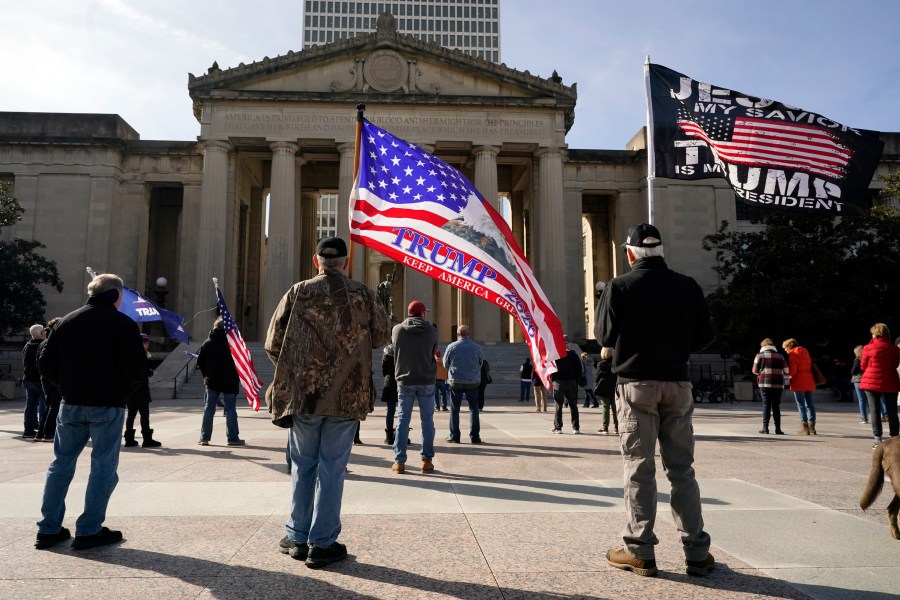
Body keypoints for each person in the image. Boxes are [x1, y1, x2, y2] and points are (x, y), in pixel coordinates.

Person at [595, 222, 716, 578]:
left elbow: (603, 335)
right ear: (660, 251)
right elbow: (705, 336)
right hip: (678, 383)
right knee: (682, 469)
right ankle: (696, 551)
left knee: (639, 467)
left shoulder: (619, 286)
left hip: (636, 385)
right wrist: (675, 349)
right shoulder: (687, 285)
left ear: (631, 253)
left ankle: (640, 551)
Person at [265, 237, 390, 568]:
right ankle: (321, 543)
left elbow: (272, 342)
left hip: (304, 396)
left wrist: (298, 370)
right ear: (345, 263)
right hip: (347, 397)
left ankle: (296, 535)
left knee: (302, 465)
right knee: (332, 468)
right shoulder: (362, 293)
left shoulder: (297, 292)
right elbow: (381, 337)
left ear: (315, 260)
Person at [35, 273, 145, 550]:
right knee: (103, 469)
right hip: (107, 405)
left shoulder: (67, 322)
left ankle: (48, 530)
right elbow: (136, 369)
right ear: (117, 296)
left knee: (60, 465)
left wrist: (66, 387)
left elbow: (45, 363)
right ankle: (88, 530)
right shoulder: (123, 324)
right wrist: (120, 393)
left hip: (71, 404)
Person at [391, 300, 438, 474]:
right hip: (426, 379)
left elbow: (395, 348)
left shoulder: (397, 330)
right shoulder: (432, 331)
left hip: (405, 380)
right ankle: (426, 460)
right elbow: (433, 350)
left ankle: (399, 462)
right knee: (427, 421)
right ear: (422, 314)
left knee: (403, 420)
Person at [197, 317, 245, 446]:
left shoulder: (208, 342)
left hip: (212, 380)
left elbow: (200, 362)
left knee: (209, 409)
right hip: (230, 380)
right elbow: (242, 361)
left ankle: (204, 438)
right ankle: (233, 438)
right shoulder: (233, 344)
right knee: (230, 409)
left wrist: (205, 375)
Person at [860, 323, 900, 448]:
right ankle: (895, 438)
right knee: (892, 410)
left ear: (875, 333)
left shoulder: (868, 348)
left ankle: (878, 439)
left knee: (874, 410)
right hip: (890, 380)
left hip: (871, 381)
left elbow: (863, 366)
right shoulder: (894, 349)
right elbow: (895, 364)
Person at [443, 324, 484, 443]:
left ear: (458, 334)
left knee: (455, 410)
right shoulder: (476, 347)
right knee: (474, 409)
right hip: (473, 381)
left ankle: (455, 435)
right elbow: (480, 362)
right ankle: (475, 437)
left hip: (456, 381)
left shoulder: (452, 346)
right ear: (469, 334)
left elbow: (446, 364)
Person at [124, 333, 162, 448]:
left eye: (147, 343)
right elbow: (143, 371)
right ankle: (147, 439)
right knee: (144, 415)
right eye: (144, 342)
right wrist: (150, 372)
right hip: (141, 389)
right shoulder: (141, 355)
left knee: (131, 415)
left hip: (131, 390)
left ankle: (129, 440)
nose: (146, 345)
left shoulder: (129, 354)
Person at [751, 338, 789, 435]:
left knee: (766, 405)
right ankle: (778, 429)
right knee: (776, 405)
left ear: (763, 346)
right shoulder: (780, 356)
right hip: (778, 384)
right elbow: (787, 371)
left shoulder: (759, 355)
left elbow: (754, 371)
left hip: (764, 383)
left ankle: (765, 428)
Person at [782, 338, 817, 435]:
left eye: (785, 348)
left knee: (801, 405)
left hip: (798, 382)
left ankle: (804, 428)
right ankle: (812, 427)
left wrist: (788, 374)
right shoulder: (806, 353)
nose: (785, 350)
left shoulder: (793, 356)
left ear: (789, 347)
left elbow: (793, 371)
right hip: (809, 380)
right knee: (810, 405)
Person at [35, 319, 62, 442]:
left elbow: (39, 362)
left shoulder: (43, 343)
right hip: (55, 378)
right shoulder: (58, 342)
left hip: (45, 378)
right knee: (54, 407)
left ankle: (40, 432)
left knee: (48, 406)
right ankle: (48, 433)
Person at [21, 324, 47, 439]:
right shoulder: (43, 345)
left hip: (28, 379)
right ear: (41, 334)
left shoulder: (27, 345)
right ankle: (43, 429)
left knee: (30, 404)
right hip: (39, 379)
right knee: (43, 403)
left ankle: (28, 430)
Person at [549, 346, 582, 434]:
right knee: (573, 405)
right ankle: (576, 428)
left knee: (558, 405)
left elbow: (551, 369)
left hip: (558, 382)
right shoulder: (573, 354)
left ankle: (558, 428)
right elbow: (579, 368)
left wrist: (553, 379)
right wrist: (576, 379)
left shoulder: (555, 354)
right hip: (572, 381)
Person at [595, 347, 618, 434]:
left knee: (605, 407)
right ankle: (617, 427)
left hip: (604, 388)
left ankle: (605, 428)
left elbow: (597, 377)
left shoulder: (600, 364)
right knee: (615, 408)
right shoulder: (615, 363)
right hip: (615, 387)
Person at [381, 344, 399, 444]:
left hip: (390, 381)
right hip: (401, 380)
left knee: (390, 411)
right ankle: (402, 434)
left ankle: (389, 437)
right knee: (403, 411)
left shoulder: (387, 351)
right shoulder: (403, 348)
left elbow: (384, 369)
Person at [850, 345, 868, 423]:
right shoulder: (868, 359)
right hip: (867, 379)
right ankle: (882, 415)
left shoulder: (857, 360)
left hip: (858, 380)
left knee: (861, 399)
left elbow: (853, 371)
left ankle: (864, 417)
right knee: (871, 399)